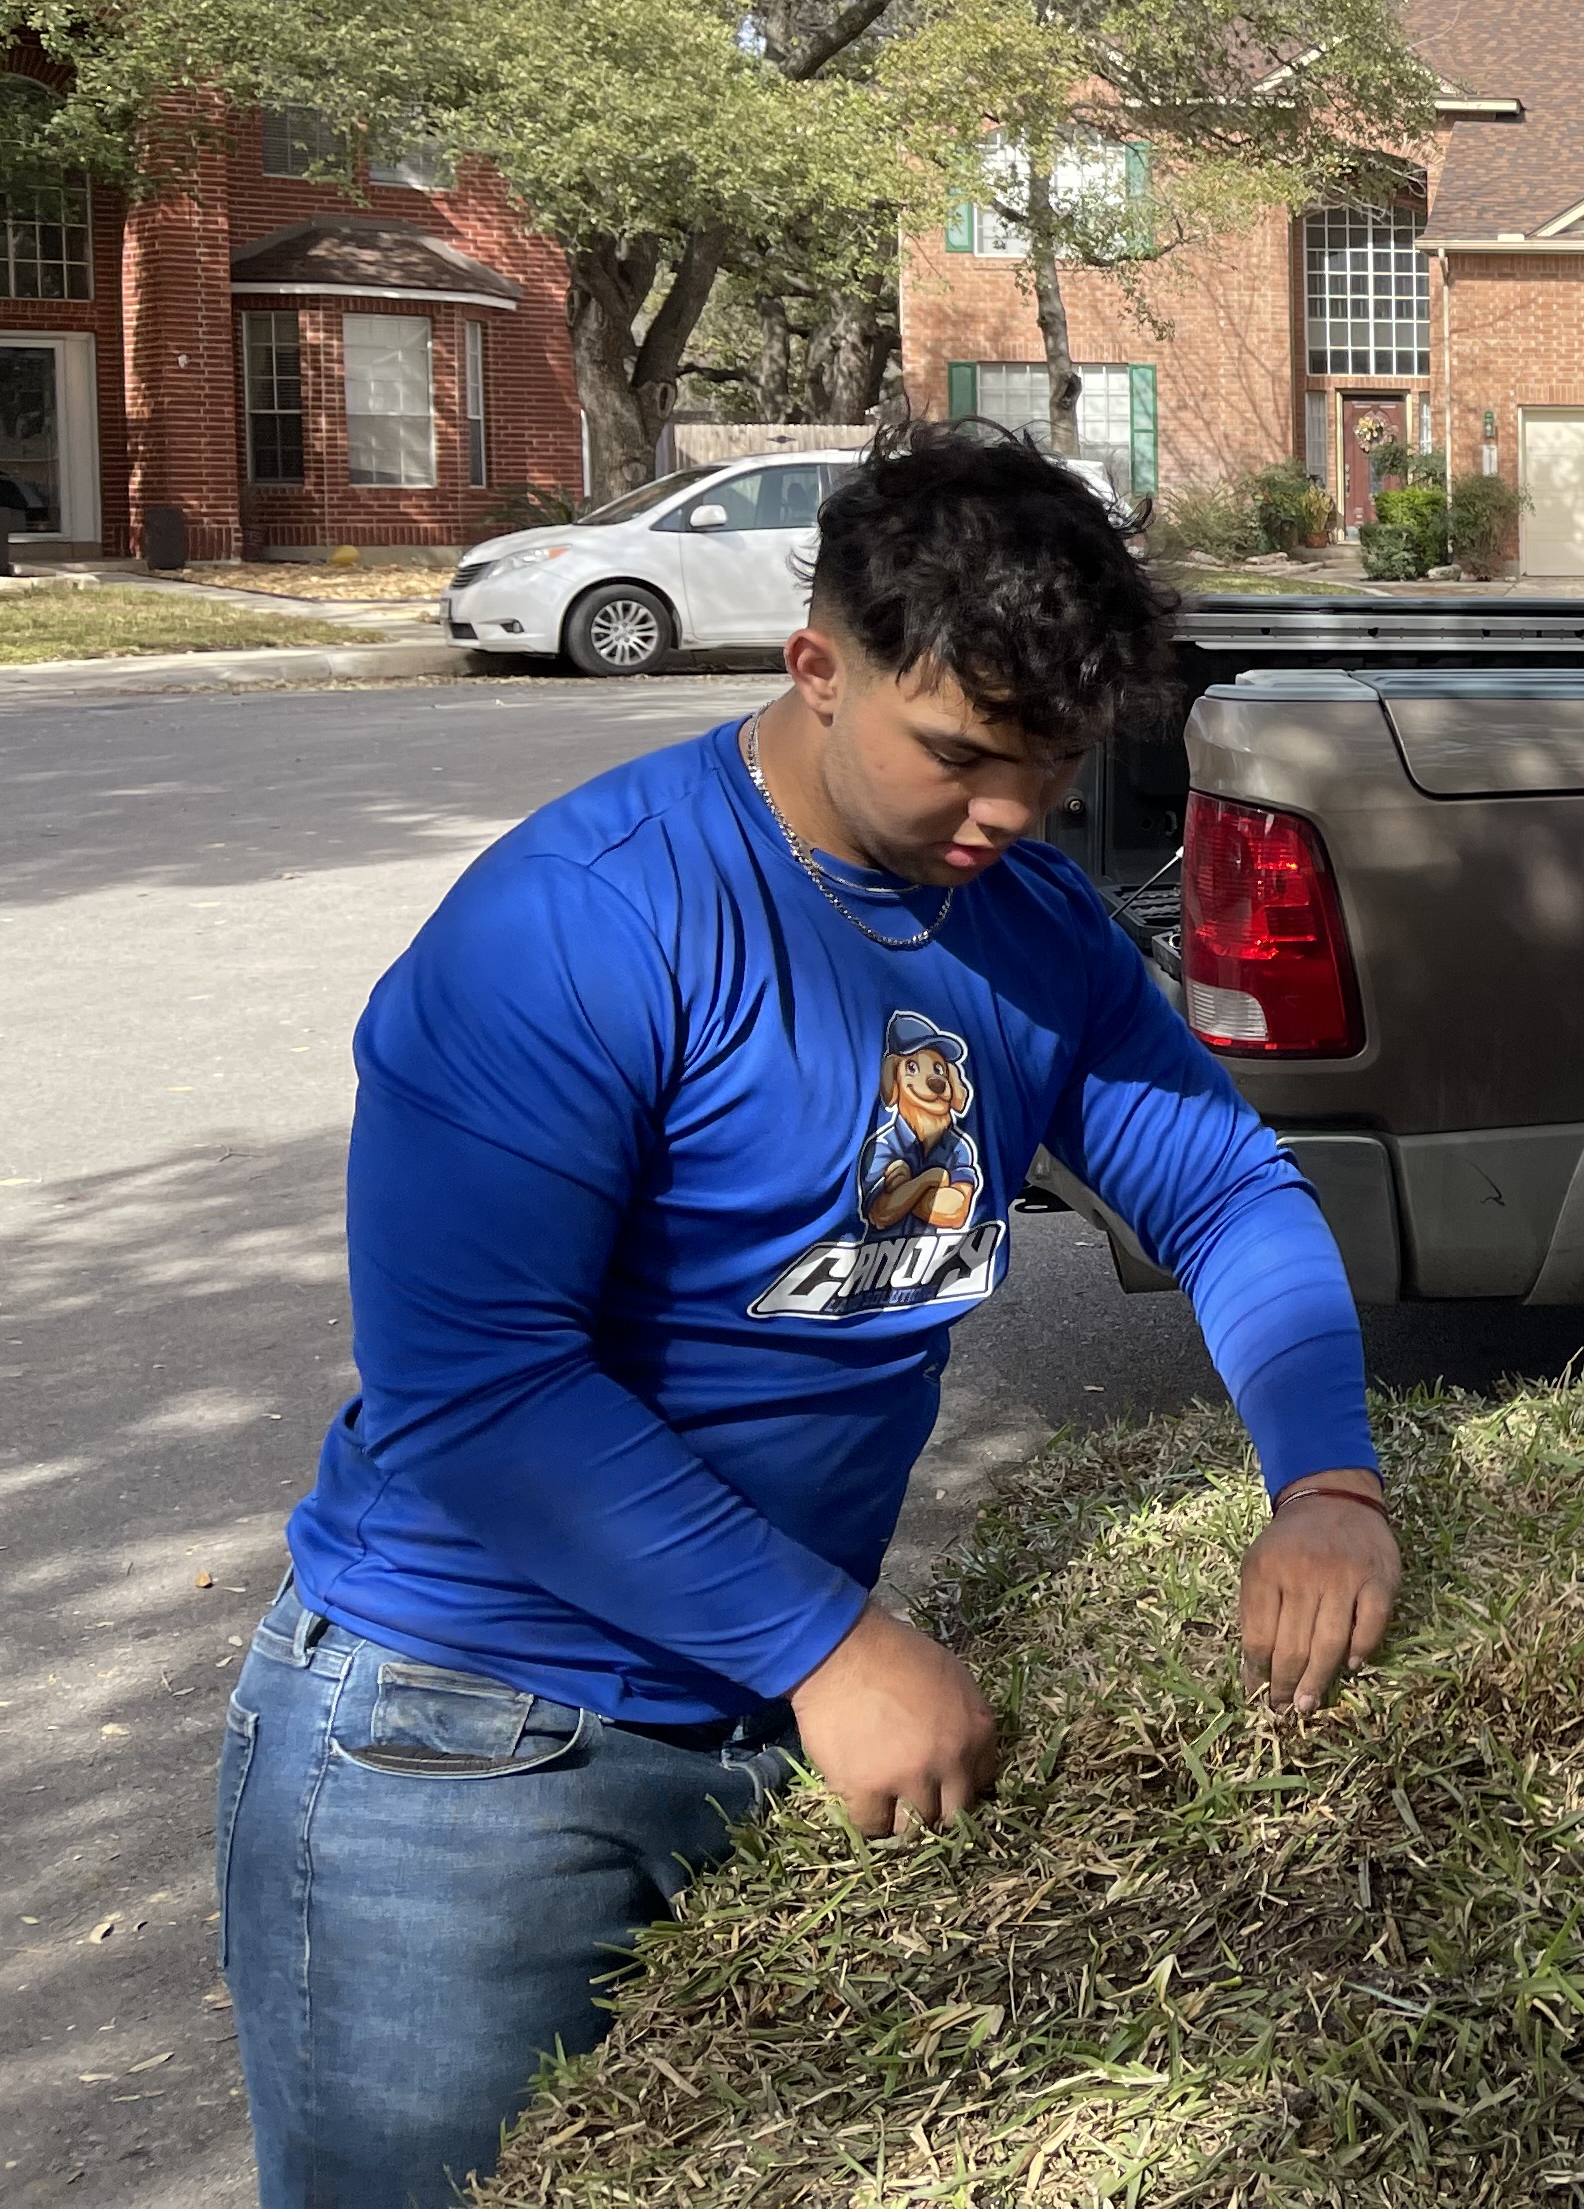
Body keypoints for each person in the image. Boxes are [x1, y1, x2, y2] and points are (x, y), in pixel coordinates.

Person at [219, 427, 1402, 2208]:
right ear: (815, 665)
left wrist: (1330, 1479)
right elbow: (476, 1390)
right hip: (453, 1748)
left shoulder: (1024, 922)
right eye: (960, 754)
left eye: (1053, 763)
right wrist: (824, 1642)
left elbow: (1229, 1193)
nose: (1006, 813)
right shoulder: (581, 922)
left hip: (753, 1710)